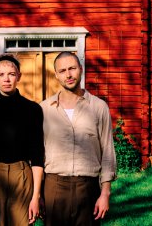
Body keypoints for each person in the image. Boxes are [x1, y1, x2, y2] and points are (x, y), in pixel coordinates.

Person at [40, 51, 116, 226]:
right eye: (63, 70)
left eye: (72, 68)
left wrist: (105, 194)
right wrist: (37, 196)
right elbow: (37, 154)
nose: (68, 74)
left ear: (81, 69)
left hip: (88, 187)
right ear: (56, 75)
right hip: (54, 186)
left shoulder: (99, 107)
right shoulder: (44, 109)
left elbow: (107, 152)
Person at [0, 53, 44, 225]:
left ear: (19, 76)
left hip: (22, 176)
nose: (7, 79)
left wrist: (36, 197)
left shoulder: (33, 110)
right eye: (1, 74)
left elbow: (38, 154)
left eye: (11, 74)